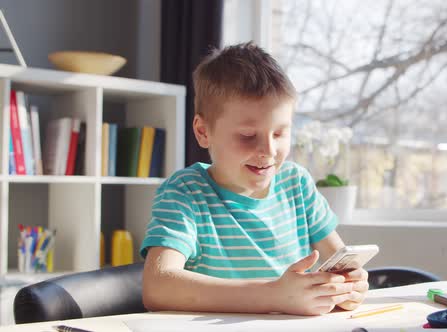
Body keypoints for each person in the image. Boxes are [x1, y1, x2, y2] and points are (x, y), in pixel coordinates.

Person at [140, 42, 368, 316]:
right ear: (203, 132)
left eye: (280, 134)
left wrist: (347, 287)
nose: (268, 151)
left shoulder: (297, 183)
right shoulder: (186, 192)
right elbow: (158, 287)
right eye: (248, 136)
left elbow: (339, 261)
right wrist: (273, 296)